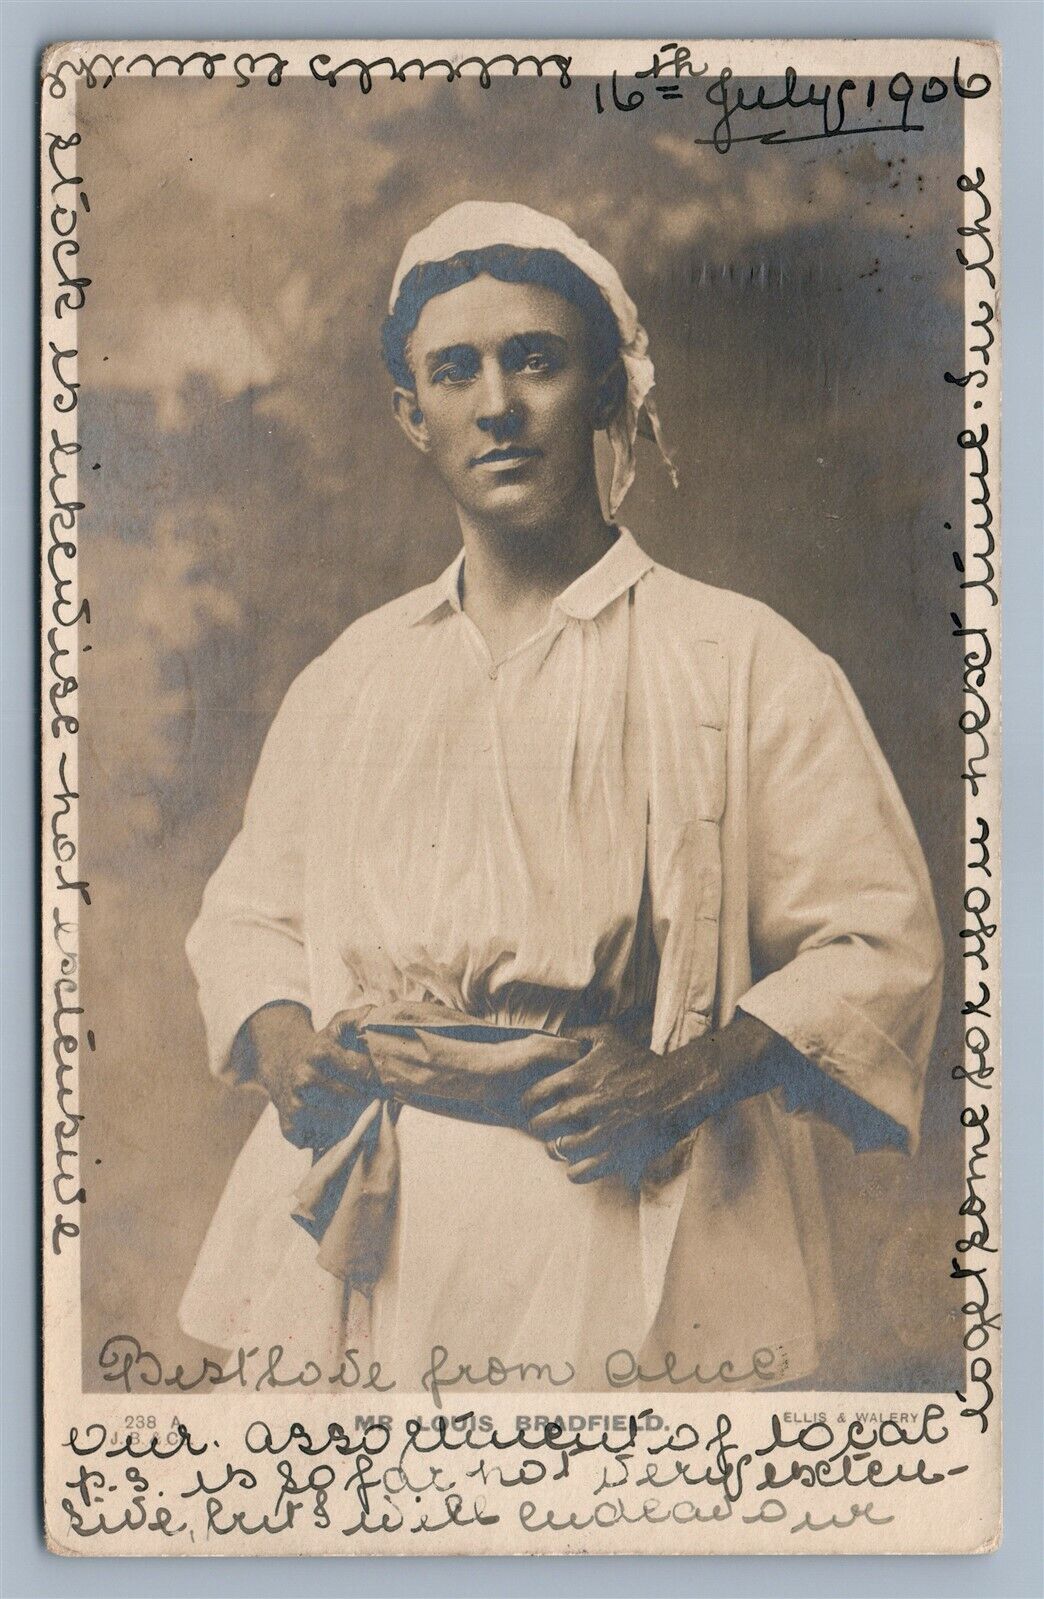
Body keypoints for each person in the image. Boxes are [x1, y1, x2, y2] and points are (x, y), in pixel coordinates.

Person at [179, 201, 943, 1391]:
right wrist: (278, 1030)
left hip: (615, 1207)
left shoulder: (741, 661)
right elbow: (250, 913)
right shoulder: (354, 677)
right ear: (410, 415)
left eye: (534, 359)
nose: (497, 403)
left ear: (605, 390)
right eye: (455, 370)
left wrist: (682, 1079)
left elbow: (876, 939)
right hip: (369, 1216)